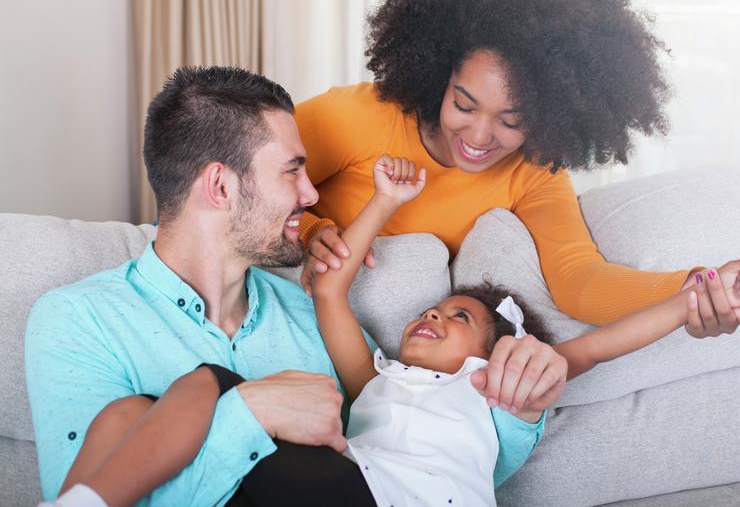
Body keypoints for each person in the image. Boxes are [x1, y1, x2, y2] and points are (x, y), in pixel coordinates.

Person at [43, 152, 740, 507]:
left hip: (370, 499)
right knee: (131, 411)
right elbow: (329, 286)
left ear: (490, 351)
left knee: (206, 385)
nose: (434, 315)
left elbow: (595, 345)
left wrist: (694, 296)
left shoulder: (500, 388)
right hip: (331, 488)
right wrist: (384, 201)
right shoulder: (375, 381)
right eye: (435, 308)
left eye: (460, 319)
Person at [25, 66, 566, 506]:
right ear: (219, 185)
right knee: (136, 413)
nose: (312, 195)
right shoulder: (78, 320)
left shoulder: (313, 316)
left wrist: (521, 406)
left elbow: (425, 456)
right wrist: (247, 415)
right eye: (292, 171)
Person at [294, 0, 740, 340]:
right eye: (464, 105)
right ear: (437, 74)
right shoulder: (356, 116)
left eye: (513, 120)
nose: (479, 137)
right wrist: (311, 230)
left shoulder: (533, 175)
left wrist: (694, 286)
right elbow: (243, 181)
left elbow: (578, 280)